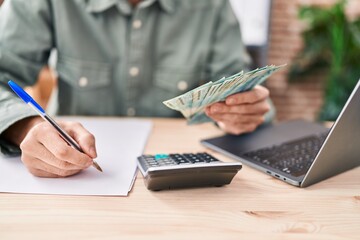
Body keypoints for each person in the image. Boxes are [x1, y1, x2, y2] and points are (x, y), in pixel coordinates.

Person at [0, 0, 273, 178]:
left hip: (180, 180)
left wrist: (243, 112)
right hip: (74, 184)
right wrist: (25, 126)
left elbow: (244, 91)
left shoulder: (212, 7)